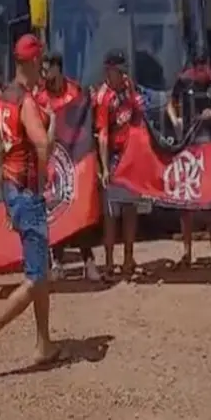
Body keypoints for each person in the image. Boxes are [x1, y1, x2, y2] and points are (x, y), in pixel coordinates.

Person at [0, 34, 63, 381]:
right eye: (40, 62)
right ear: (31, 62)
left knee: (42, 272)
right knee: (36, 277)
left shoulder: (6, 99)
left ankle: (44, 343)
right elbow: (43, 147)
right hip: (27, 193)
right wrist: (51, 126)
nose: (43, 69)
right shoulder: (25, 102)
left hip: (13, 188)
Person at [35, 52, 100, 282]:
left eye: (47, 70)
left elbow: (84, 120)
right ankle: (58, 261)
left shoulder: (76, 92)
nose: (44, 75)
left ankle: (88, 260)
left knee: (80, 207)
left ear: (58, 69)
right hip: (53, 160)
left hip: (76, 158)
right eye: (42, 71)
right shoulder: (39, 97)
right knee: (56, 208)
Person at [165, 60, 211, 270]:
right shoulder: (184, 80)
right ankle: (187, 253)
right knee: (186, 203)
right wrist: (176, 122)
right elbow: (170, 103)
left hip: (210, 146)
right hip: (189, 146)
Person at [93, 50, 145, 280]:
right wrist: (104, 168)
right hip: (113, 159)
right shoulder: (103, 97)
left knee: (131, 211)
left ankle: (128, 259)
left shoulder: (127, 86)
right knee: (111, 214)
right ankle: (109, 263)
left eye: (124, 70)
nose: (122, 75)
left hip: (131, 158)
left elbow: (138, 113)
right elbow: (102, 135)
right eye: (119, 70)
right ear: (108, 70)